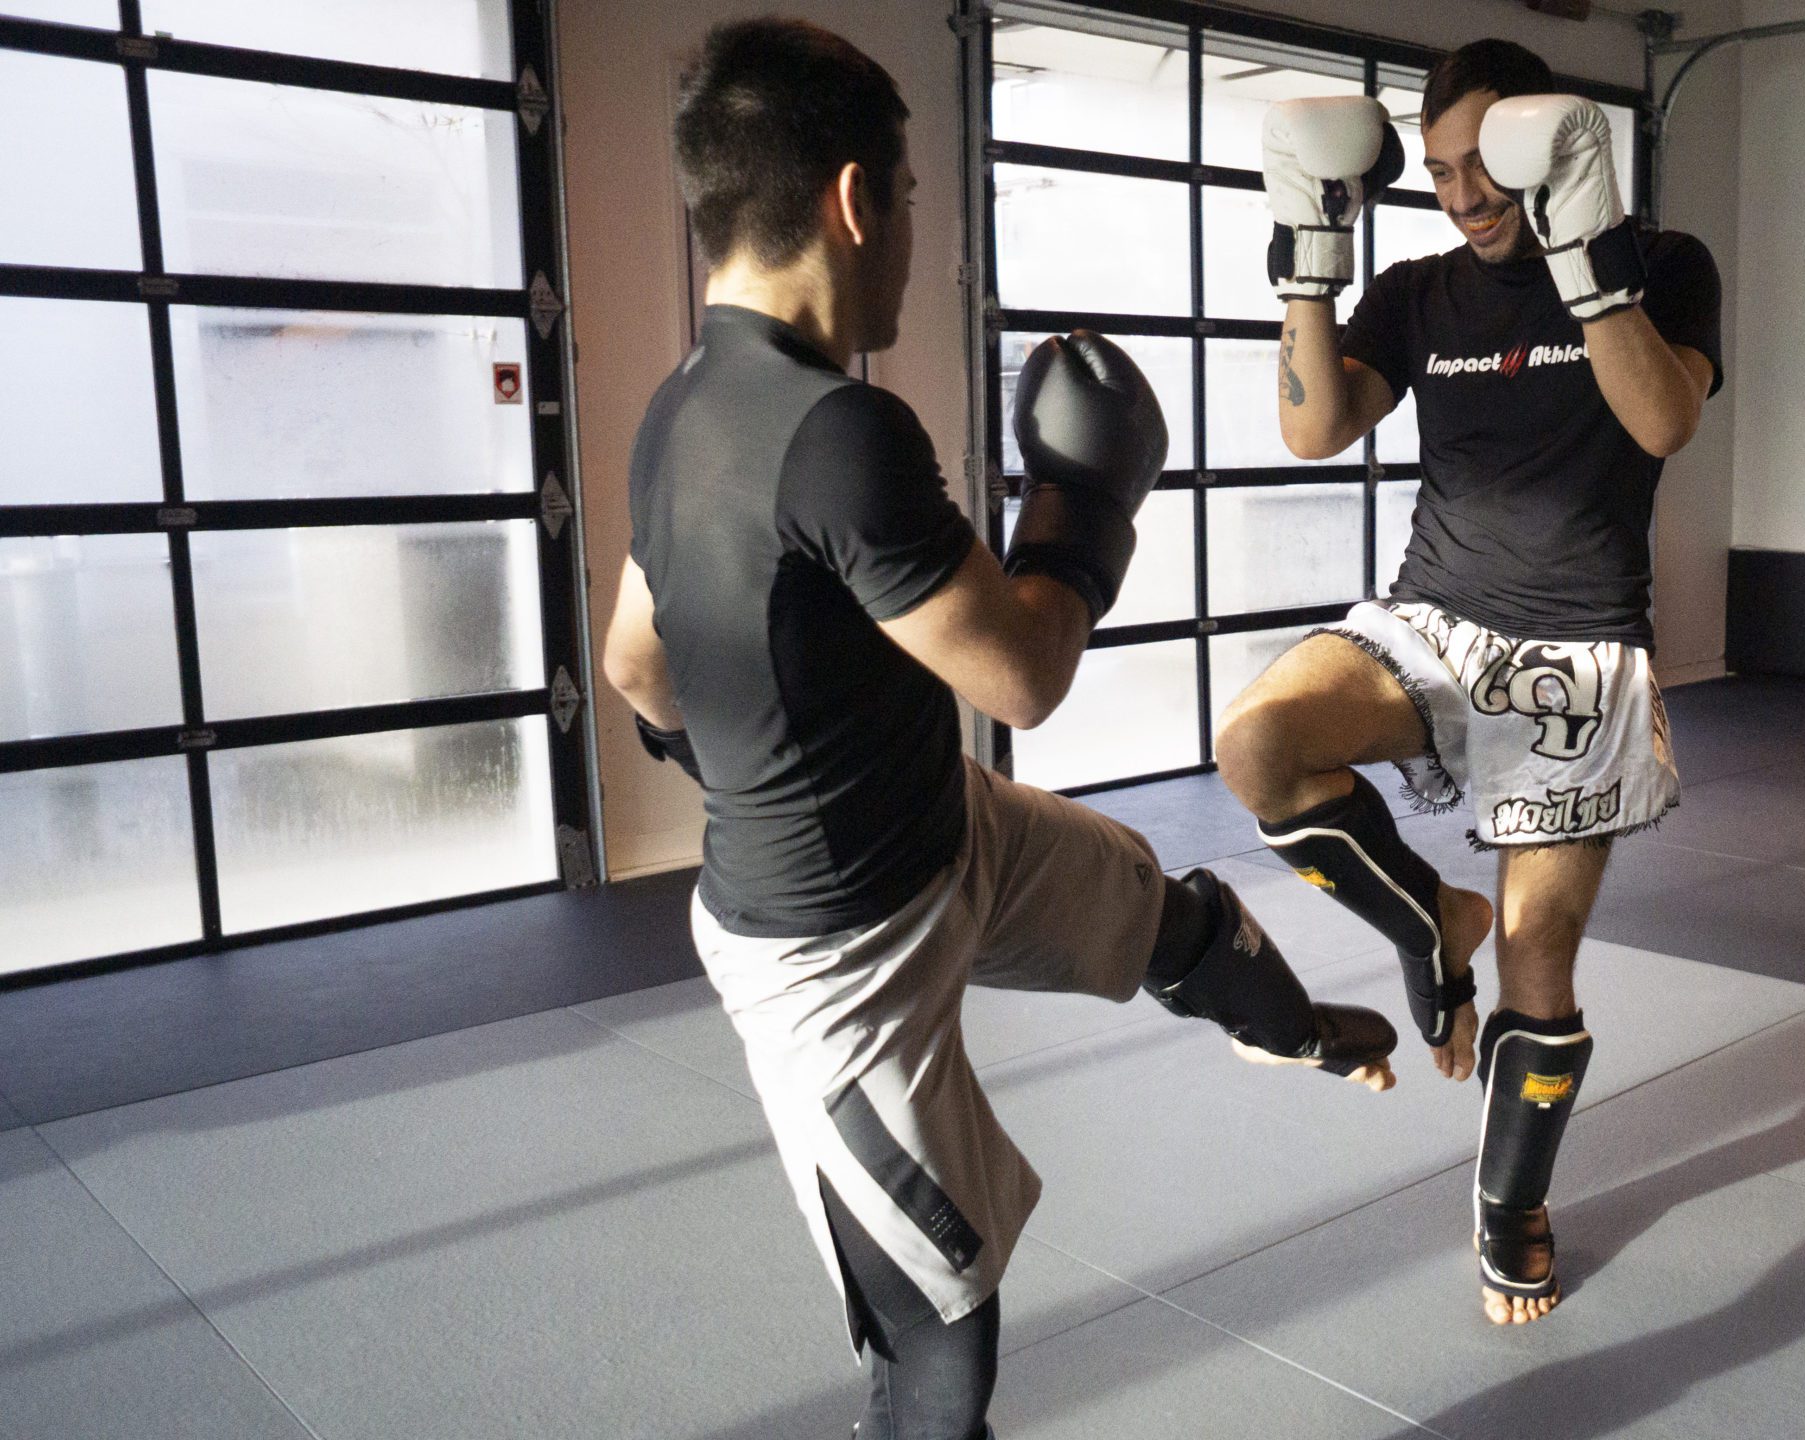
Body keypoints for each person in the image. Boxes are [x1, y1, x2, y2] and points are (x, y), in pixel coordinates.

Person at [598, 22, 1397, 1438]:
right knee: (937, 1341)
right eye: (912, 197)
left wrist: (758, 766)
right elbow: (1024, 680)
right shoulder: (839, 431)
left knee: (1164, 913)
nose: (916, 236)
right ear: (857, 200)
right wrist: (1086, 506)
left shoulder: (676, 413)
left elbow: (633, 664)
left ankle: (1294, 1033)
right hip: (835, 961)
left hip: (941, 825)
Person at [1216, 38, 1723, 1327]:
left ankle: (1511, 1204)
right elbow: (1311, 428)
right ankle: (1430, 923)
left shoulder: (1663, 264)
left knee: (1539, 958)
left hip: (1579, 651)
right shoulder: (1417, 292)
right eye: (1439, 171)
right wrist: (1310, 258)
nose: (1463, 196)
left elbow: (1664, 421)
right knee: (1257, 744)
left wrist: (1586, 257)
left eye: (1484, 165)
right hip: (1432, 620)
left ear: (1546, 147)